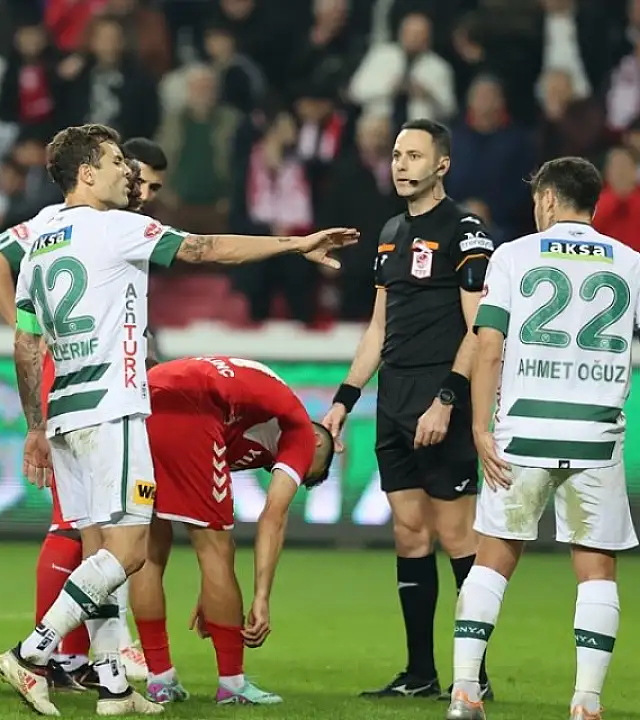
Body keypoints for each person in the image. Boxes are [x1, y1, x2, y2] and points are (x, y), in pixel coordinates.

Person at [0, 123, 357, 717]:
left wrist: (35, 425)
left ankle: (113, 688)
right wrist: (294, 245)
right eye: (116, 162)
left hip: (64, 413)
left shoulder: (38, 240)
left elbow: (25, 344)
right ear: (86, 173)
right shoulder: (116, 226)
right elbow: (204, 249)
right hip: (114, 408)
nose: (127, 173)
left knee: (103, 552)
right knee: (129, 553)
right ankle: (31, 652)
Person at [0, 137, 168, 689]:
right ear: (95, 173)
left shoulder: (74, 227)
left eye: (153, 187)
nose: (142, 190)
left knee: (97, 531)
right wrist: (32, 328)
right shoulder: (70, 222)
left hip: (76, 381)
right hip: (82, 380)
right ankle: (49, 653)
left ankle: (106, 672)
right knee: (83, 529)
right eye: (135, 177)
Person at [447, 157, 638, 720]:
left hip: (523, 428)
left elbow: (489, 345)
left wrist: (479, 427)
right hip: (595, 435)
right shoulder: (629, 262)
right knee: (596, 568)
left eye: (537, 199)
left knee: (493, 558)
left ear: (549, 199)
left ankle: (464, 693)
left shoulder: (513, 255)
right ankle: (586, 703)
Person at [320, 118, 495, 700]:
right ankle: (421, 675)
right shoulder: (392, 231)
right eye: (397, 154)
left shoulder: (465, 231)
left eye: (414, 155)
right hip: (393, 400)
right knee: (409, 533)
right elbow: (378, 329)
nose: (401, 164)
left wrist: (447, 399)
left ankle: (473, 675)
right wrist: (345, 398)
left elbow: (479, 328)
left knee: (457, 534)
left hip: (440, 398)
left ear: (442, 164)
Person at [131, 356, 335, 706]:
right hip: (190, 406)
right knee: (217, 550)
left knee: (149, 546)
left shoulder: (249, 424)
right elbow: (273, 517)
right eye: (307, 473)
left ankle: (160, 679)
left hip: (143, 402)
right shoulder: (301, 431)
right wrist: (261, 598)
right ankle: (232, 684)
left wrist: (212, 593)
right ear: (318, 443)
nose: (295, 473)